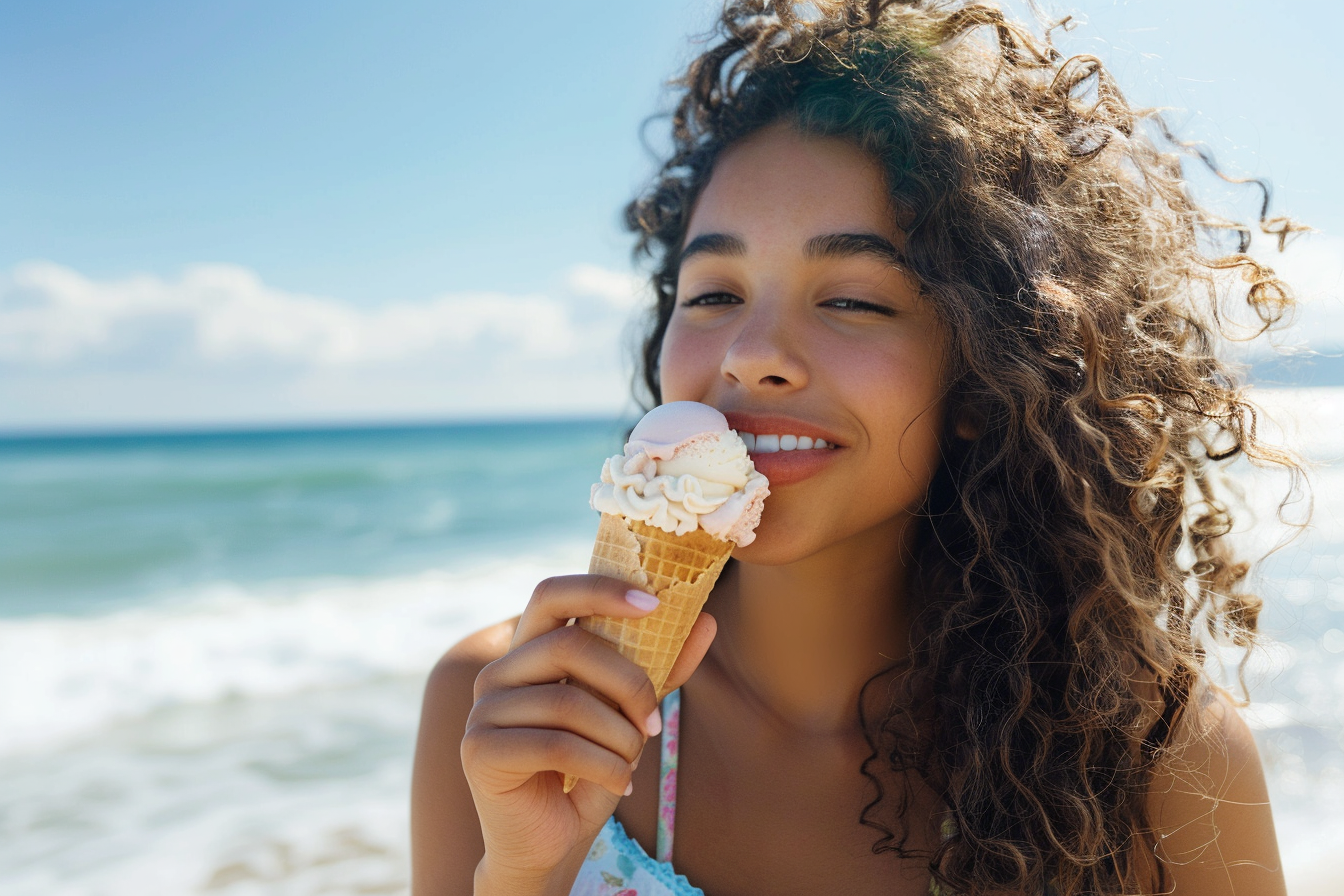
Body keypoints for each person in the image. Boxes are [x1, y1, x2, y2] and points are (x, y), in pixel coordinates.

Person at [411, 2, 1306, 893]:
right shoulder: (506, 717)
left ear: (986, 372)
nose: (751, 353)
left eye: (854, 300)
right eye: (714, 293)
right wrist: (526, 873)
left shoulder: (1154, 765)